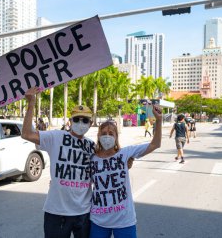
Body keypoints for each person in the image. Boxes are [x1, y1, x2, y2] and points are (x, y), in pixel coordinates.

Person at [21, 87, 95, 238]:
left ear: (91, 123)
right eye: (76, 119)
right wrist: (31, 104)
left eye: (85, 120)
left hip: (84, 212)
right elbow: (26, 133)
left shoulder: (93, 146)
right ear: (70, 121)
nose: (81, 123)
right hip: (56, 211)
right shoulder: (55, 137)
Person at [89, 105, 162, 238]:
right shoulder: (91, 158)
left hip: (124, 220)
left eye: (111, 134)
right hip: (98, 220)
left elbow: (155, 144)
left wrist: (159, 120)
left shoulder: (125, 153)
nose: (107, 136)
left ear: (116, 137)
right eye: (103, 133)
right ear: (98, 136)